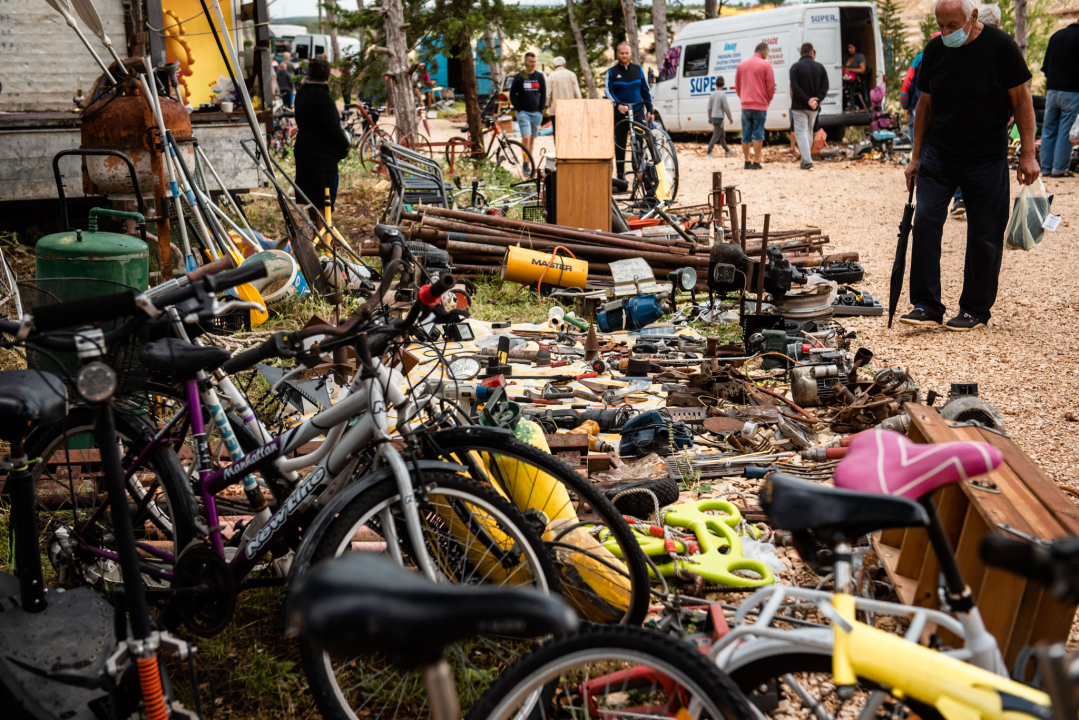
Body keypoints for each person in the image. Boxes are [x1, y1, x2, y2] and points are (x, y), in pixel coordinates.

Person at [901, 0, 1038, 332]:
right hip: (939, 154)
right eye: (941, 25)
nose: (945, 32)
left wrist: (1028, 153)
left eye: (952, 25)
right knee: (927, 221)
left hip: (985, 156)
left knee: (985, 233)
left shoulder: (1001, 47)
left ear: (973, 16)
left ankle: (975, 308)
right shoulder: (935, 50)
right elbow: (924, 107)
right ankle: (926, 304)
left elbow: (1022, 100)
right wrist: (915, 156)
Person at [294, 57, 350, 222]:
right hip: (322, 158)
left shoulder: (301, 92)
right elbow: (332, 127)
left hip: (304, 151)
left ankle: (317, 238)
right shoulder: (322, 97)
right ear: (327, 77)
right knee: (323, 203)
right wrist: (345, 147)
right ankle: (325, 242)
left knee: (311, 200)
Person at [605, 41, 653, 180]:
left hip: (638, 112)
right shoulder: (611, 72)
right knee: (620, 145)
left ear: (631, 54)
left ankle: (639, 172)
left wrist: (650, 110)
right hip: (620, 115)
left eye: (627, 53)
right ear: (618, 54)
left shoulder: (638, 70)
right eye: (622, 53)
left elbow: (646, 90)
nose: (624, 55)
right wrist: (617, 105)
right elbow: (608, 91)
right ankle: (621, 175)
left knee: (639, 142)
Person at [1040, 18, 1079, 178]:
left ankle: (1045, 168)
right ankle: (1058, 170)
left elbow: (1045, 67)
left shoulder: (1056, 36)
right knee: (1065, 131)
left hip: (1052, 90)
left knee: (1048, 130)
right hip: (1072, 92)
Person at [734, 42, 775, 170]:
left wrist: (744, 98)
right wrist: (767, 101)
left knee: (745, 134)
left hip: (746, 105)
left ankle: (746, 161)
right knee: (758, 134)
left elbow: (737, 85)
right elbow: (771, 87)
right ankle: (756, 162)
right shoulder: (766, 65)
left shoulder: (742, 64)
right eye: (767, 54)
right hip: (760, 106)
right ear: (763, 52)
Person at [789, 43, 829, 170]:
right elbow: (825, 86)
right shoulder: (820, 67)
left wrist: (807, 100)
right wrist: (816, 100)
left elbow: (795, 87)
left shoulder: (795, 68)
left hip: (799, 106)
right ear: (812, 53)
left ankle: (807, 162)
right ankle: (805, 160)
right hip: (814, 108)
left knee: (801, 132)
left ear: (801, 53)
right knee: (809, 132)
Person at [510, 52, 546, 176]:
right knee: (526, 137)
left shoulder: (539, 76)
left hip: (536, 113)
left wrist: (541, 110)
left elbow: (544, 94)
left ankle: (528, 164)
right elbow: (512, 94)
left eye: (535, 61)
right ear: (526, 62)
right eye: (531, 62)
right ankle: (525, 162)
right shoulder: (520, 76)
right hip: (523, 113)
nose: (533, 64)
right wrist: (519, 109)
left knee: (531, 140)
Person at [546, 56, 582, 137]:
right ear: (564, 65)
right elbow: (577, 93)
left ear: (555, 66)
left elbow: (548, 95)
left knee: (557, 133)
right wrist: (579, 105)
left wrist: (547, 105)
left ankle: (558, 149)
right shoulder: (572, 75)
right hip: (570, 109)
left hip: (555, 110)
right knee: (571, 131)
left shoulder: (551, 77)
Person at [706, 79, 734, 157]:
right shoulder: (722, 95)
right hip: (719, 118)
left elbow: (709, 107)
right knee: (716, 135)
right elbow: (726, 108)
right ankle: (709, 152)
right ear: (723, 84)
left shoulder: (712, 95)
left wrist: (709, 118)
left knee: (722, 135)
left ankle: (727, 151)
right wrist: (730, 118)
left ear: (715, 84)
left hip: (713, 118)